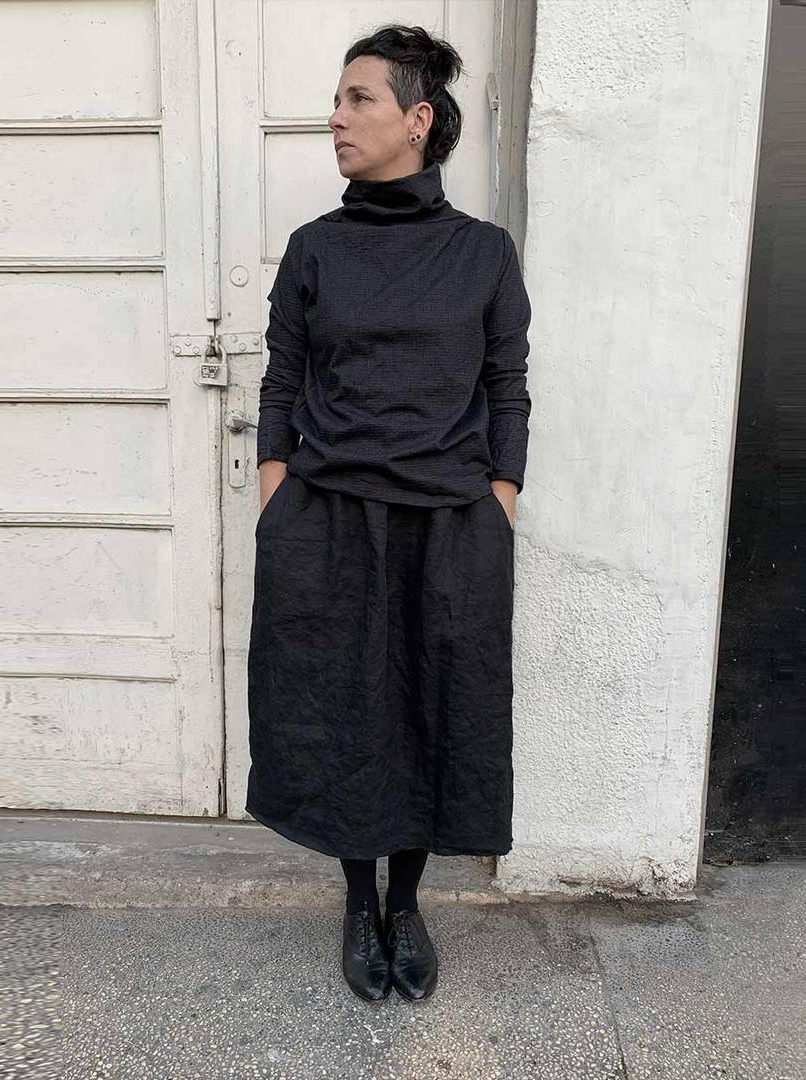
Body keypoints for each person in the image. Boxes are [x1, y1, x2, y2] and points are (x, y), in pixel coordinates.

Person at [246, 24, 531, 1004]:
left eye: (357, 98)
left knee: (432, 708)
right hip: (328, 521)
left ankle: (406, 904)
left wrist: (499, 499)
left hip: (449, 525)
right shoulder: (315, 250)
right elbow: (282, 381)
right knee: (345, 708)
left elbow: (507, 388)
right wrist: (276, 492)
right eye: (338, 99)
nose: (336, 117)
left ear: (416, 120)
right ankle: (357, 900)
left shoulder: (483, 253)